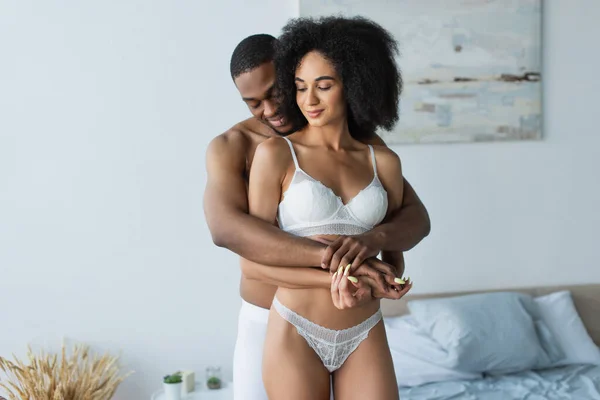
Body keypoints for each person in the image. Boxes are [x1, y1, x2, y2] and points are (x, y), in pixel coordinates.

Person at [203, 33, 430, 400]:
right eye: (252, 103)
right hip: (272, 315)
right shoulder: (235, 147)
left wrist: (374, 249)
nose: (269, 110)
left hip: (358, 314)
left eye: (274, 93)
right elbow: (226, 231)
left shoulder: (365, 146)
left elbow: (412, 216)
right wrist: (342, 264)